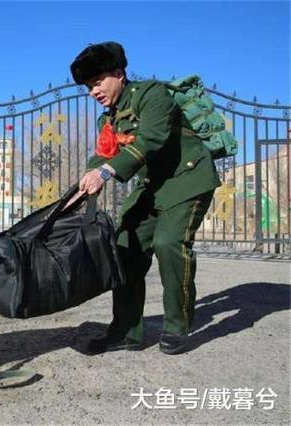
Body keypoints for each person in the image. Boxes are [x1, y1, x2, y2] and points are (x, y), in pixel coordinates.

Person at [67, 41, 220, 355]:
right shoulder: (107, 119)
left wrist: (106, 173)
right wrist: (80, 189)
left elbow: (150, 139)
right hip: (151, 186)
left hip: (187, 179)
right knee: (124, 249)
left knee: (168, 244)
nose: (92, 92)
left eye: (97, 82)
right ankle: (126, 331)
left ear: (119, 74)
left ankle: (178, 325)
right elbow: (103, 155)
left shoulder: (152, 95)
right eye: (87, 86)